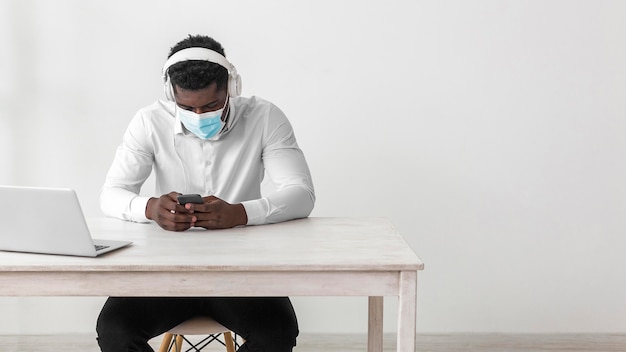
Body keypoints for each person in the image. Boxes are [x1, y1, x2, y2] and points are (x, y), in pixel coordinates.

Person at [96, 34, 315, 352]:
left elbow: (301, 193)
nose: (199, 116)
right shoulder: (148, 121)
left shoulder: (265, 117)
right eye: (186, 107)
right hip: (165, 270)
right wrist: (150, 208)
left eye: (211, 105)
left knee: (277, 332)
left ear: (232, 88)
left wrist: (240, 213)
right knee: (115, 330)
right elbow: (111, 193)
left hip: (241, 271)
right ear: (171, 94)